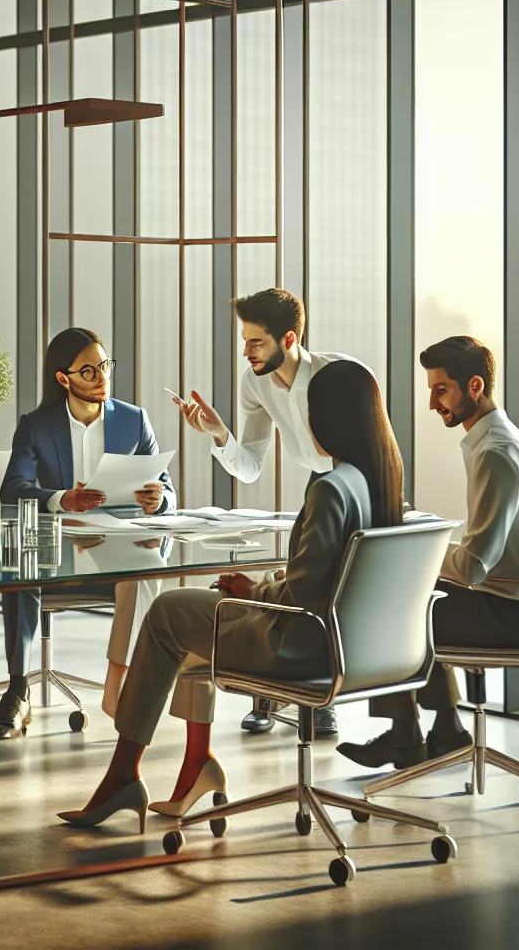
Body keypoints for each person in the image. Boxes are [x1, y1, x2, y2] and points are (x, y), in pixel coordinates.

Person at [62, 359, 404, 829]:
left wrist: (255, 589)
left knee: (167, 613)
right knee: (190, 619)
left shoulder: (329, 490)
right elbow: (330, 582)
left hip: (297, 646)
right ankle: (195, 764)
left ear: (327, 419)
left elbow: (301, 596)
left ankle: (124, 774)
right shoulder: (380, 482)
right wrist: (256, 589)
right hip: (354, 649)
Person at [338, 336, 519, 769]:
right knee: (408, 597)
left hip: (515, 612)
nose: (431, 403)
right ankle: (444, 731)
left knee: (388, 610)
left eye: (441, 390)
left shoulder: (497, 453)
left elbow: (475, 568)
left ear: (474, 386)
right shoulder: (495, 442)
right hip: (517, 599)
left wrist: (419, 547)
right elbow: (484, 552)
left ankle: (411, 735)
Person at [177, 287, 353, 739]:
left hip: (348, 485)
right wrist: (220, 436)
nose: (246, 351)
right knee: (285, 579)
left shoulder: (337, 376)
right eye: (245, 340)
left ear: (289, 339)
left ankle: (318, 701)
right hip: (318, 486)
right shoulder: (253, 382)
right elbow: (250, 467)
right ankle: (270, 696)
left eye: (256, 342)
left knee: (315, 591)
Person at [0, 327, 173, 741]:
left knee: (146, 568)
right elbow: (12, 488)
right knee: (20, 558)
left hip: (118, 547)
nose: (102, 376)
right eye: (88, 371)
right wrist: (60, 499)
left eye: (105, 365)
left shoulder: (133, 419)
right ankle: (18, 689)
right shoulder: (36, 426)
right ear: (63, 378)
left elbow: (167, 489)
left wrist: (157, 501)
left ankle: (120, 685)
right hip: (56, 547)